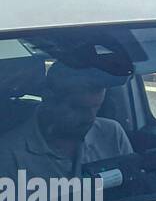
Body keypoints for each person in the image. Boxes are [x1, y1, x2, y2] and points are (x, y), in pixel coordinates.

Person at [0, 62, 133, 185]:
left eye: (96, 108)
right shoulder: (9, 155)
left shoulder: (112, 133)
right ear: (48, 99)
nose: (90, 118)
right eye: (79, 109)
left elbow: (133, 189)